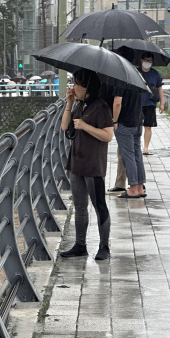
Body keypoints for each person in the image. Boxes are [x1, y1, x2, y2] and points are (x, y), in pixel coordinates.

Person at [60, 68, 114, 261]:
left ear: (87, 87)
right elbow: (65, 127)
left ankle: (104, 246)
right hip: (76, 162)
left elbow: (108, 135)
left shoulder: (101, 108)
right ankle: (80, 245)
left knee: (99, 205)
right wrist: (69, 103)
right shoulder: (79, 105)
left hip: (93, 164)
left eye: (76, 83)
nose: (73, 87)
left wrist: (85, 126)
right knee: (80, 206)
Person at [138, 52, 164, 155]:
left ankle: (145, 148)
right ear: (141, 60)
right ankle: (136, 147)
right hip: (137, 104)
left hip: (150, 104)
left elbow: (160, 89)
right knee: (136, 126)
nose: (147, 62)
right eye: (146, 60)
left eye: (149, 61)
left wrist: (162, 104)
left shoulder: (155, 74)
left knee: (148, 126)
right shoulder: (135, 72)